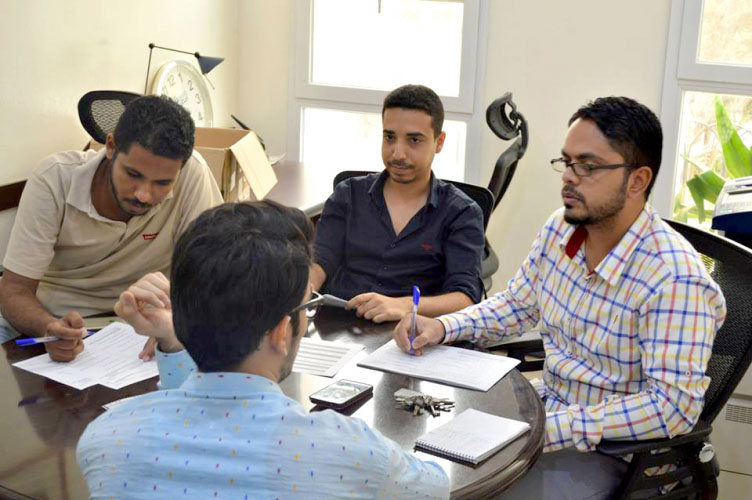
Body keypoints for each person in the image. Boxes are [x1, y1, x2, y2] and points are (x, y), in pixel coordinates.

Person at [393, 96, 727, 499]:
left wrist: (556, 429)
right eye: (567, 163)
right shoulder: (562, 229)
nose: (569, 178)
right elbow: (517, 305)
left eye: (587, 167)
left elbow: (671, 407)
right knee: (422, 465)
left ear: (637, 180)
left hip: (618, 455)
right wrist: (441, 326)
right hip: (547, 415)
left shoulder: (674, 280)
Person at [76, 201, 450, 499]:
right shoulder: (348, 450)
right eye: (307, 306)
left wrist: (176, 340)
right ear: (282, 332)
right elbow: (435, 487)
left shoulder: (106, 439)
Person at [0, 95, 222, 362]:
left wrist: (177, 321)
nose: (144, 195)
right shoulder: (55, 178)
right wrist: (48, 326)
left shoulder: (193, 174)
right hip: (57, 323)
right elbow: (14, 290)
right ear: (110, 146)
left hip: (141, 327)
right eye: (133, 174)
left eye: (163, 183)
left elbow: (211, 276)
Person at [311, 84, 485, 323]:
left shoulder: (461, 212)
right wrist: (302, 288)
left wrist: (404, 306)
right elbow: (320, 262)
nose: (397, 153)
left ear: (439, 142)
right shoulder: (348, 195)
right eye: (389, 137)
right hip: (339, 326)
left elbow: (465, 297)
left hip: (414, 335)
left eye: (414, 140)